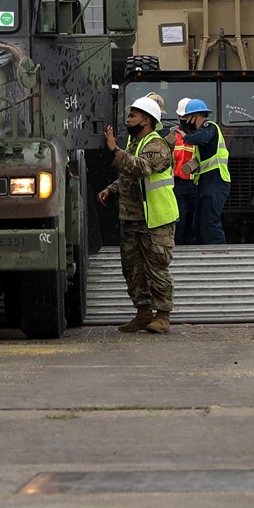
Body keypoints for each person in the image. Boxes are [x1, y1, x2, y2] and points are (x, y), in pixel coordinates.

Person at [97, 94, 179, 334]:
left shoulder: (157, 146)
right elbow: (127, 176)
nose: (128, 120)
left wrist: (114, 150)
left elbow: (141, 168)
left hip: (156, 220)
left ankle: (162, 316)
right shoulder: (136, 145)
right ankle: (143, 313)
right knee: (132, 269)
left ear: (146, 119)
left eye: (132, 116)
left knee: (156, 268)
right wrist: (111, 190)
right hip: (133, 219)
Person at [177, 98, 230, 244]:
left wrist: (185, 137)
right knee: (199, 224)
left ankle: (218, 255)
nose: (186, 121)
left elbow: (201, 137)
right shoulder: (202, 132)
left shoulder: (209, 127)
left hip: (216, 180)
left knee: (210, 221)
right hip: (206, 182)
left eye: (187, 118)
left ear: (196, 116)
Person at [169, 107, 201, 247]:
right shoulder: (172, 133)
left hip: (196, 181)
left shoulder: (201, 133)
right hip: (178, 182)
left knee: (197, 219)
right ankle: (178, 246)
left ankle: (196, 246)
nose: (184, 120)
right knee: (179, 219)